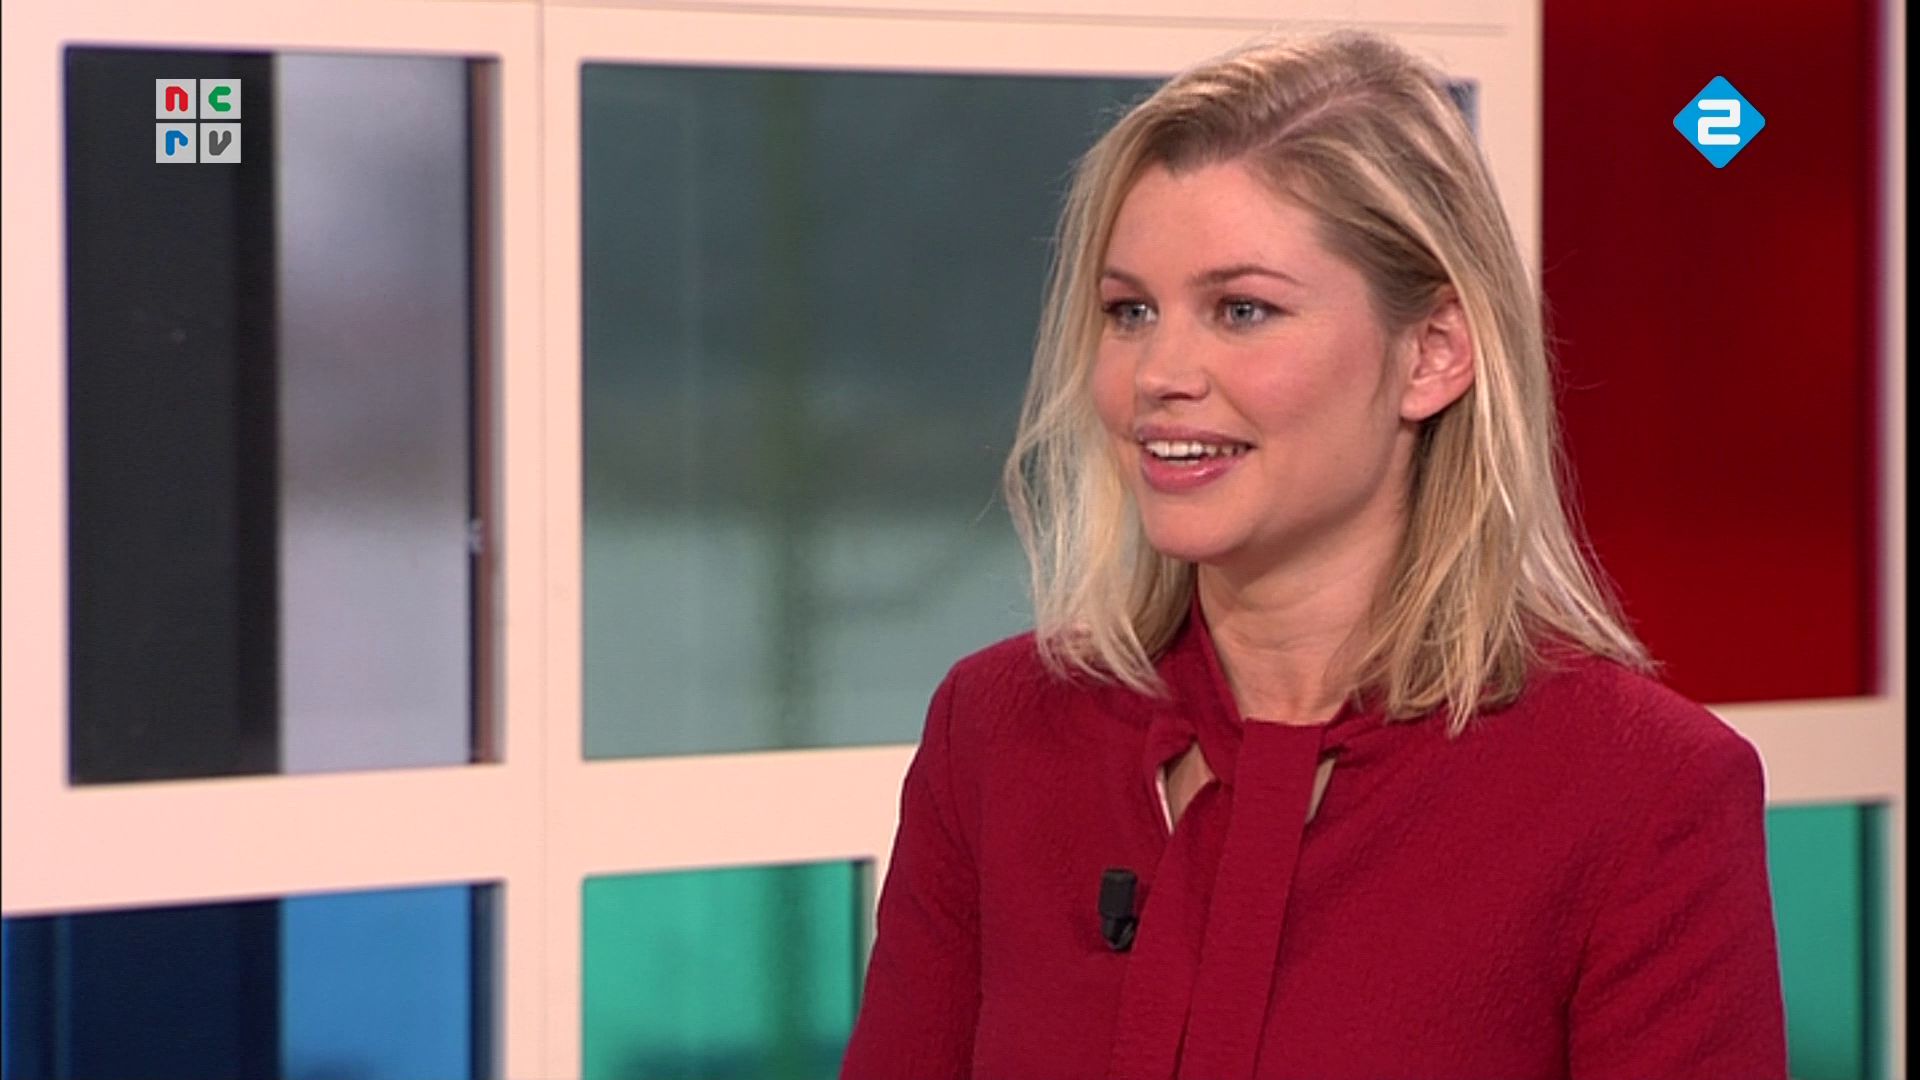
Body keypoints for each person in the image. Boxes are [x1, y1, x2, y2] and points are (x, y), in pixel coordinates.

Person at [838, 28, 1788, 1080]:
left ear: (1431, 355)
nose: (1158, 373)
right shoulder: (996, 733)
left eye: (1242, 310)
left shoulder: (1643, 793)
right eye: (1130, 311)